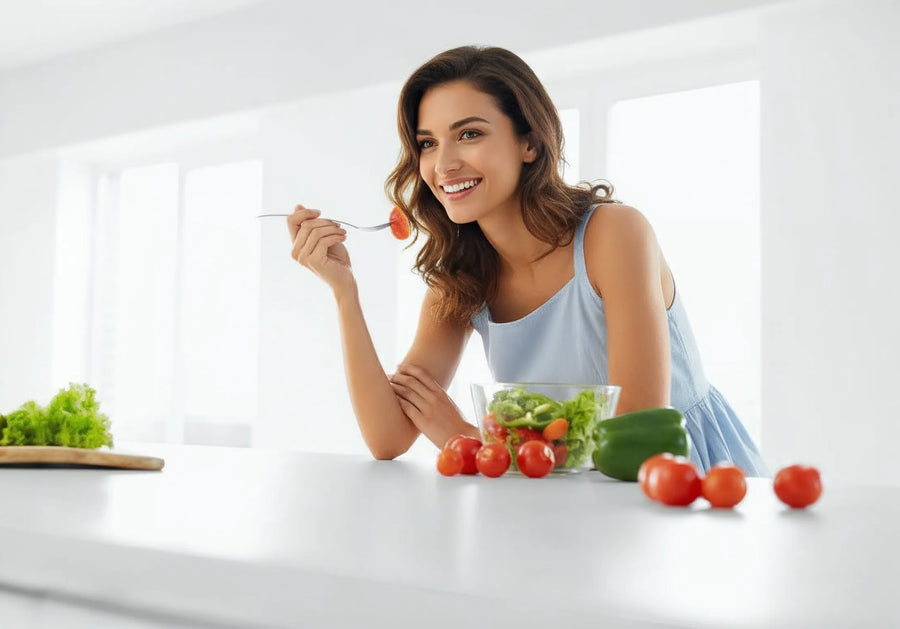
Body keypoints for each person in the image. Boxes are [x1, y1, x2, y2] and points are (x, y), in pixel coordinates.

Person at [284, 45, 767, 476]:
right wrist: (344, 291)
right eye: (427, 142)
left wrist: (471, 439)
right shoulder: (462, 274)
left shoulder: (614, 234)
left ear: (529, 142)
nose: (443, 164)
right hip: (561, 496)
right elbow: (387, 439)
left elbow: (635, 443)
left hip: (678, 476)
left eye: (469, 134)